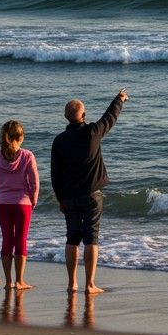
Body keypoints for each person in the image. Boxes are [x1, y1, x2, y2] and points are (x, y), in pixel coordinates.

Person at [51, 89, 127, 294]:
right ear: (83, 116)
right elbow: (109, 118)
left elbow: (55, 174)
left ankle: (71, 283)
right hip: (92, 194)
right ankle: (90, 284)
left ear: (66, 117)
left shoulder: (59, 141)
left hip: (69, 196)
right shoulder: (92, 132)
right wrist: (119, 99)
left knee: (72, 237)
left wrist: (60, 198)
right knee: (91, 237)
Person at [0, 119, 39, 289]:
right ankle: (19, 281)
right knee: (21, 240)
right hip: (22, 203)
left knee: (7, 239)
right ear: (20, 137)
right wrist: (33, 200)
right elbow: (35, 182)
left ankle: (8, 282)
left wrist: (6, 185)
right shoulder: (27, 155)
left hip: (3, 203)